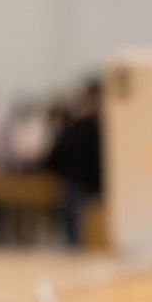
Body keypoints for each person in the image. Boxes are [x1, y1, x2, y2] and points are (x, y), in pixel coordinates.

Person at [46, 80, 103, 246]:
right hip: (83, 183)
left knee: (81, 230)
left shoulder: (79, 126)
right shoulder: (82, 126)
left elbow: (58, 154)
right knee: (78, 232)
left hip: (81, 183)